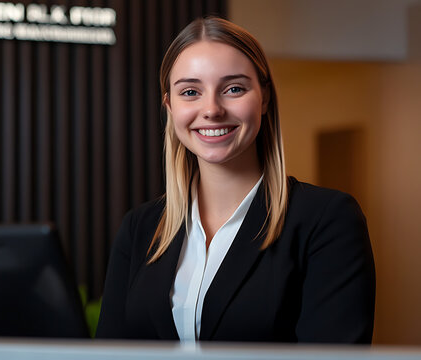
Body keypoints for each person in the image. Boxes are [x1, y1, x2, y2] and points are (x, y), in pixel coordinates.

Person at [95, 16, 375, 343]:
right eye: (190, 91)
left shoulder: (327, 220)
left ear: (265, 98)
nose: (211, 109)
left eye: (234, 89)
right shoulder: (140, 229)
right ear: (169, 105)